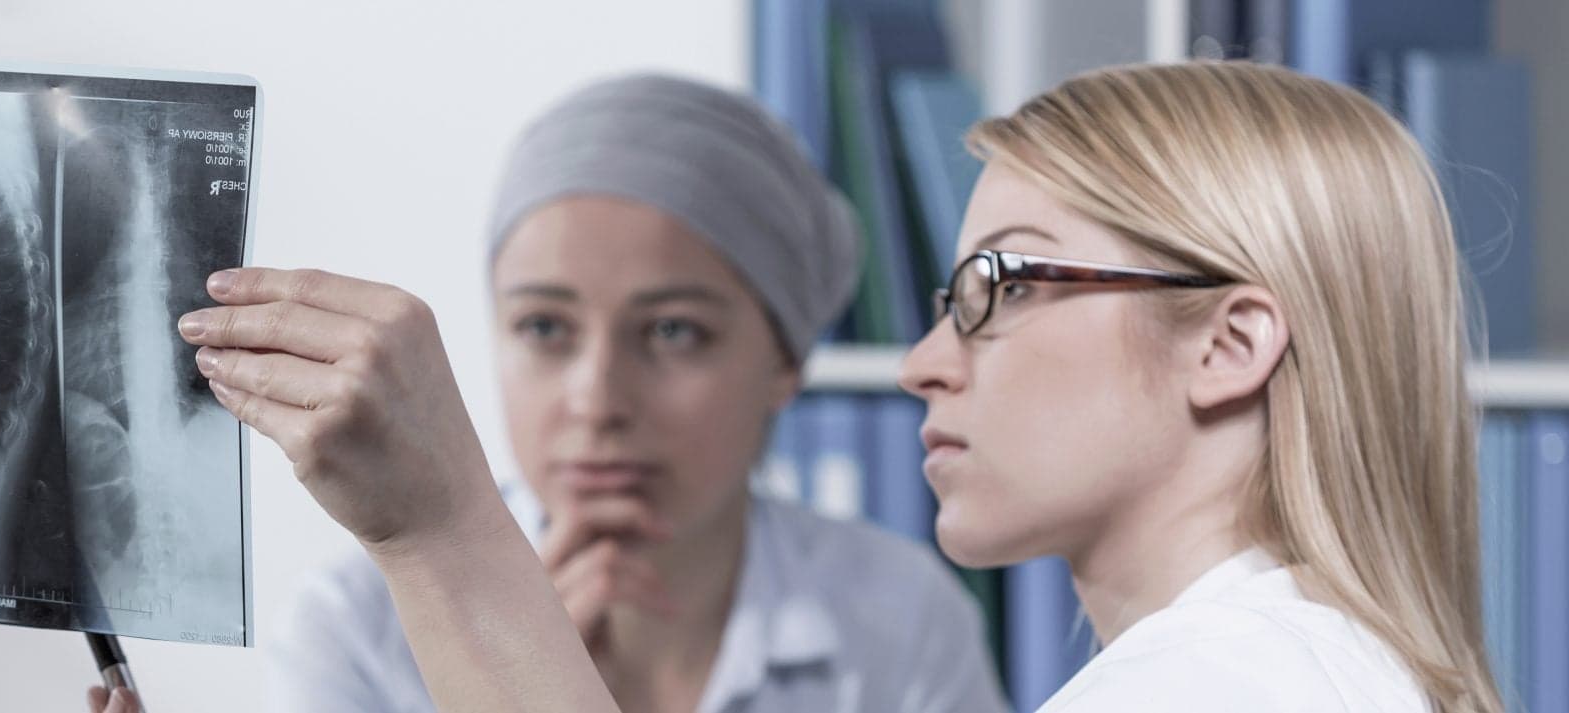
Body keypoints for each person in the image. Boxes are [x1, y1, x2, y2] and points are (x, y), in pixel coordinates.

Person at [159, 60, 1504, 713]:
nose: (926, 359)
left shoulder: (1224, 693)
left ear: (1228, 344)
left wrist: (442, 531)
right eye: (547, 327)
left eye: (998, 289)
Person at [89, 75, 1007, 713]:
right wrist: (509, 659)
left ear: (785, 361)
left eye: (674, 330)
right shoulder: (357, 625)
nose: (597, 399)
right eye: (544, 328)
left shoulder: (900, 620)